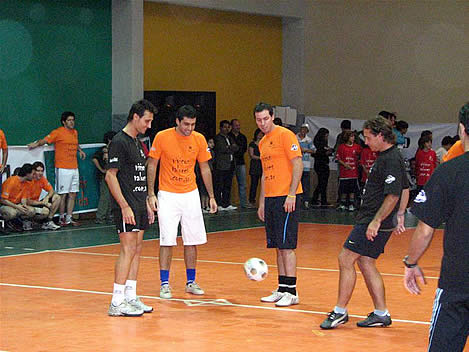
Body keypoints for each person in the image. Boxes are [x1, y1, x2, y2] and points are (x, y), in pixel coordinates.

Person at [320, 116, 409, 330]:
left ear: (380, 135)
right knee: (366, 262)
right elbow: (405, 187)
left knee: (345, 258)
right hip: (375, 218)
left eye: (369, 137)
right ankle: (381, 313)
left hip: (372, 219)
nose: (366, 142)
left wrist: (376, 221)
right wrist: (400, 216)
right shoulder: (389, 156)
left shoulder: (391, 158)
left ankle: (340, 311)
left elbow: (393, 195)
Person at [403, 102, 469, 351]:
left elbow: (425, 228)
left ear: (462, 130)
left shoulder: (448, 172)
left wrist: (411, 262)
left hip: (457, 283)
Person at [147, 105, 217, 300]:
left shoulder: (199, 139)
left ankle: (191, 282)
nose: (189, 128)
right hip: (167, 195)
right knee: (167, 240)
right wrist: (150, 194)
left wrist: (211, 196)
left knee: (192, 240)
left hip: (190, 194)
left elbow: (205, 168)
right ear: (177, 122)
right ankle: (164, 283)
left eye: (193, 124)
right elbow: (152, 164)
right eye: (186, 124)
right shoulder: (162, 137)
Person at [106, 99, 156, 317]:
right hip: (126, 205)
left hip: (139, 204)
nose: (149, 125)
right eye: (146, 121)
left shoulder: (137, 142)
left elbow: (140, 175)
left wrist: (147, 202)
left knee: (136, 250)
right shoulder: (119, 142)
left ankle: (130, 296)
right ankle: (116, 302)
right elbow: (110, 176)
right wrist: (124, 206)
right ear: (135, 117)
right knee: (127, 250)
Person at [254, 102, 303, 307]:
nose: (263, 123)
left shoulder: (286, 135)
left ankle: (292, 291)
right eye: (259, 120)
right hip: (272, 198)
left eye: (266, 118)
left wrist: (291, 194)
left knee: (287, 246)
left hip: (286, 197)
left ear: (272, 116)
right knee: (277, 246)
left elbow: (297, 163)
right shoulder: (262, 142)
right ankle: (282, 287)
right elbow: (266, 173)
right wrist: (262, 202)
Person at [28, 111, 86, 226]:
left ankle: (69, 218)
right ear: (64, 122)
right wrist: (36, 144)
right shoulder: (57, 132)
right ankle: (62, 218)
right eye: (69, 120)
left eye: (73, 120)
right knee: (63, 194)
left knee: (73, 193)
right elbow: (45, 140)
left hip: (74, 167)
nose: (72, 122)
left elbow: (74, 143)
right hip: (63, 168)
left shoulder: (75, 132)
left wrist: (80, 150)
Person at [0, 164, 48, 231]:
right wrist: (17, 207)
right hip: (6, 205)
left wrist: (24, 207)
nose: (34, 176)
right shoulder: (11, 181)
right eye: (33, 174)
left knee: (31, 211)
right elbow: (3, 200)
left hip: (17, 205)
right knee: (12, 213)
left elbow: (23, 199)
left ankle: (24, 222)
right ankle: (7, 223)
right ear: (27, 174)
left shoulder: (26, 184)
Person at [26, 161, 61, 230]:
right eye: (38, 171)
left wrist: (47, 198)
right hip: (28, 205)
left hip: (37, 203)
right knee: (45, 212)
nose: (40, 173)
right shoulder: (28, 180)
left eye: (42, 171)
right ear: (33, 171)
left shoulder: (42, 179)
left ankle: (48, 221)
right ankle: (27, 220)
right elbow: (27, 201)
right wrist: (43, 203)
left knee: (57, 197)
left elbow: (51, 190)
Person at [92, 131, 116, 224]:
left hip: (114, 176)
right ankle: (100, 217)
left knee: (113, 196)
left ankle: (109, 215)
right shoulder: (103, 149)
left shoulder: (115, 149)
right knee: (105, 196)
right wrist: (102, 170)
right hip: (105, 176)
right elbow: (94, 159)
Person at [213, 120, 238, 211]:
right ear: (220, 128)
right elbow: (222, 148)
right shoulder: (218, 138)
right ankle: (219, 204)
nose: (227, 129)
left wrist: (230, 147)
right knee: (219, 185)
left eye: (228, 127)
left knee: (228, 185)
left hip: (230, 164)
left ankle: (226, 203)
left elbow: (236, 147)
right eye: (225, 127)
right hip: (221, 165)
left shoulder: (230, 137)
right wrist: (230, 147)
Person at [336, 130, 361, 211]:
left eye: (353, 136)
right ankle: (342, 204)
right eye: (351, 136)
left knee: (352, 190)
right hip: (344, 174)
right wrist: (345, 165)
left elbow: (360, 156)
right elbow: (338, 158)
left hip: (353, 173)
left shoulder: (357, 147)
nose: (353, 138)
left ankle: (351, 204)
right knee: (343, 190)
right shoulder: (342, 147)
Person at [229, 119, 249, 208]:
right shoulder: (229, 136)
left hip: (240, 162)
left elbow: (243, 149)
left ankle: (243, 203)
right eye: (236, 125)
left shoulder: (243, 137)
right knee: (229, 183)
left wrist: (236, 149)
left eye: (238, 125)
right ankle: (228, 203)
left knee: (243, 184)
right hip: (230, 163)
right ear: (232, 126)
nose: (238, 127)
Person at [311, 128, 333, 207]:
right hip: (320, 164)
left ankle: (318, 199)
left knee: (323, 183)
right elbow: (315, 153)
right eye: (326, 135)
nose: (327, 137)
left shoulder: (324, 143)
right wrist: (325, 152)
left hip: (324, 164)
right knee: (322, 183)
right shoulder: (318, 143)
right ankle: (319, 199)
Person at [296, 123, 314, 209]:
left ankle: (306, 201)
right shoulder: (295, 138)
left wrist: (306, 150)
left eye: (305, 130)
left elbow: (313, 150)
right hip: (296, 165)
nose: (303, 131)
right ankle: (296, 201)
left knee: (305, 184)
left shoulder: (309, 140)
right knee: (296, 183)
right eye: (302, 129)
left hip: (306, 165)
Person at [248, 128, 263, 207]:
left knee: (264, 184)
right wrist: (261, 158)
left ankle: (263, 201)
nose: (260, 135)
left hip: (263, 166)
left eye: (261, 133)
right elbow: (251, 155)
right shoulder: (252, 144)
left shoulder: (264, 143)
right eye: (259, 133)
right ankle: (251, 200)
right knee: (254, 184)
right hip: (255, 165)